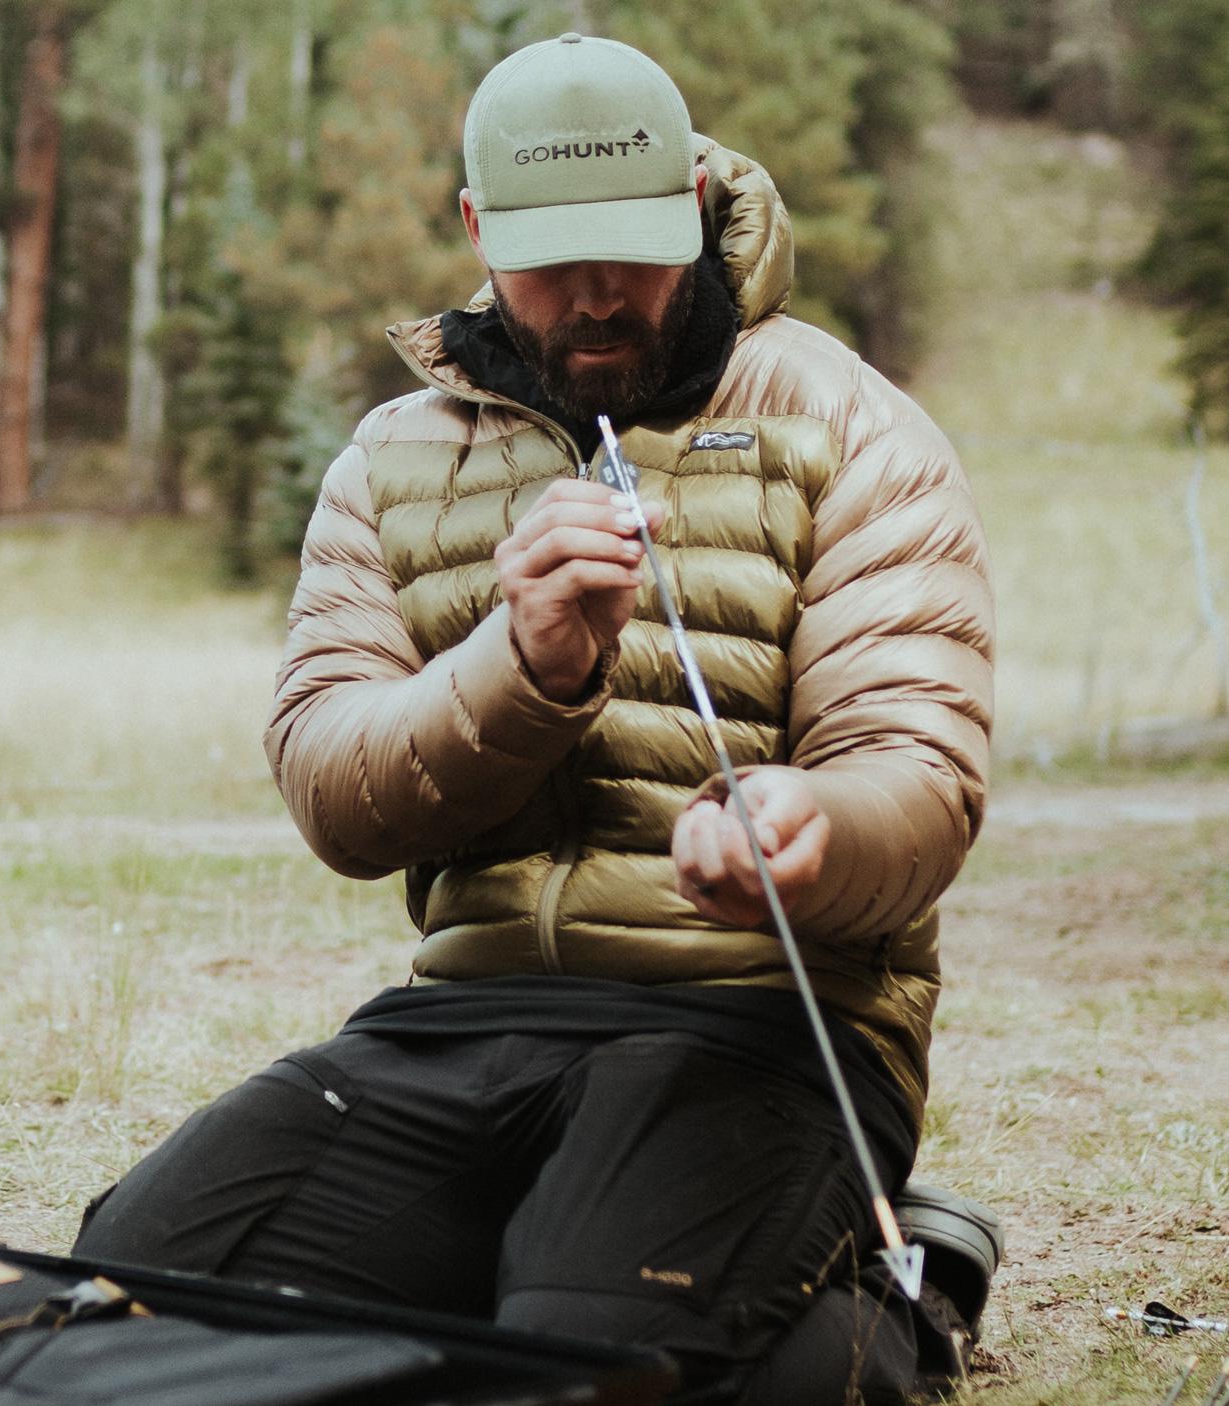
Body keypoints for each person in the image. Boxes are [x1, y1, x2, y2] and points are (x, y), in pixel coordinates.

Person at [73, 32, 997, 1404]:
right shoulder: (394, 460)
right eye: (552, 256)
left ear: (692, 202)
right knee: (133, 1296)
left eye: (629, 245)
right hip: (458, 1026)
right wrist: (523, 666)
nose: (596, 295)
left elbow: (919, 775)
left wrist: (804, 833)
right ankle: (566, 1267)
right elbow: (334, 787)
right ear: (476, 227)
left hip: (760, 1031)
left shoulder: (846, 424)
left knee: (586, 1363)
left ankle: (907, 1295)